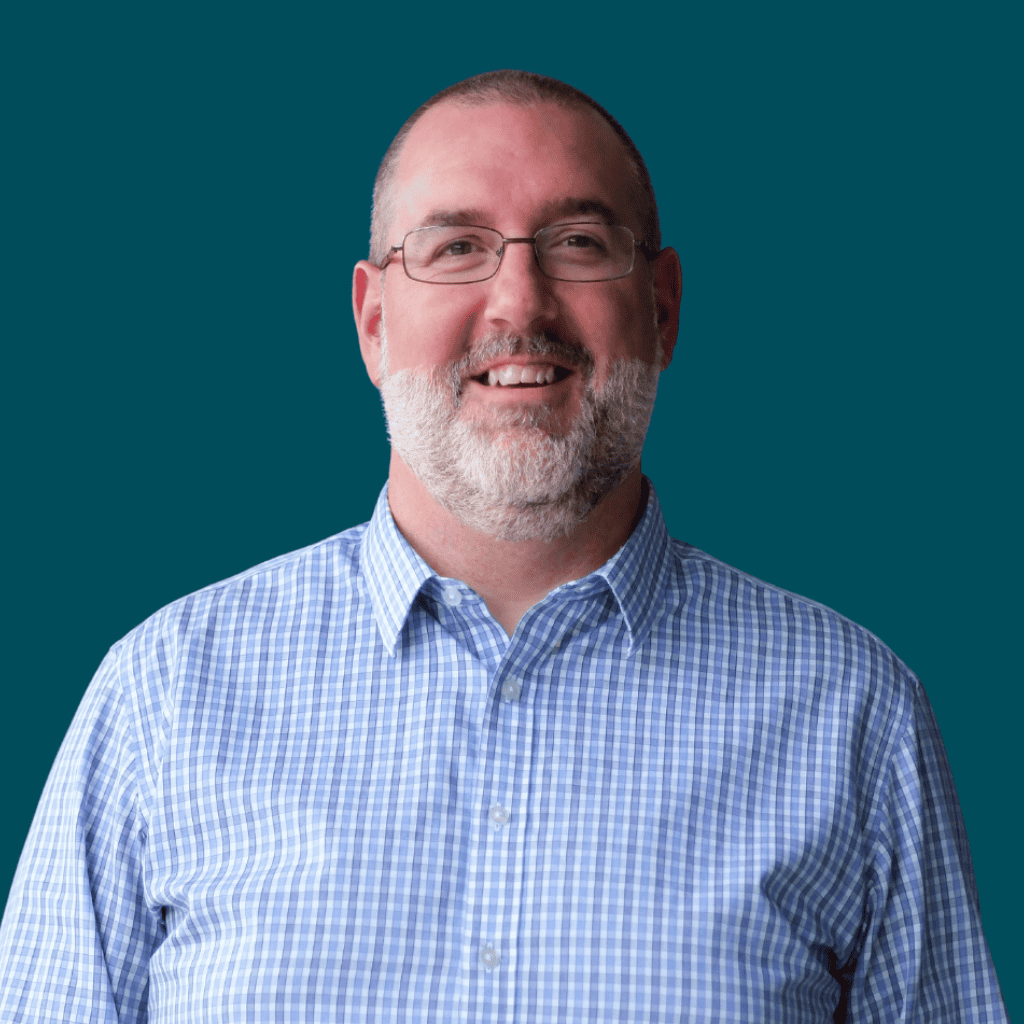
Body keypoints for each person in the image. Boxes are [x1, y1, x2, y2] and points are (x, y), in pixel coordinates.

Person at [0, 70, 1007, 1023]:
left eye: (576, 241)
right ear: (372, 320)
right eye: (454, 247)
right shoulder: (163, 694)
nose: (520, 305)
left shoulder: (852, 711)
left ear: (660, 309)